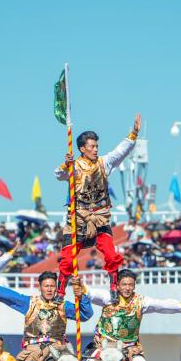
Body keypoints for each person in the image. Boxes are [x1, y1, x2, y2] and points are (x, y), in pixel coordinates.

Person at [54, 114, 142, 300]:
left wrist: (133, 134)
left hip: (100, 218)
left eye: (96, 146)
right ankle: (60, 291)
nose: (95, 149)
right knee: (67, 259)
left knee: (110, 254)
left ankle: (114, 285)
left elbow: (120, 152)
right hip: (79, 220)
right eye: (92, 146)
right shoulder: (74, 166)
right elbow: (59, 175)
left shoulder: (104, 162)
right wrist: (66, 164)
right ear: (82, 148)